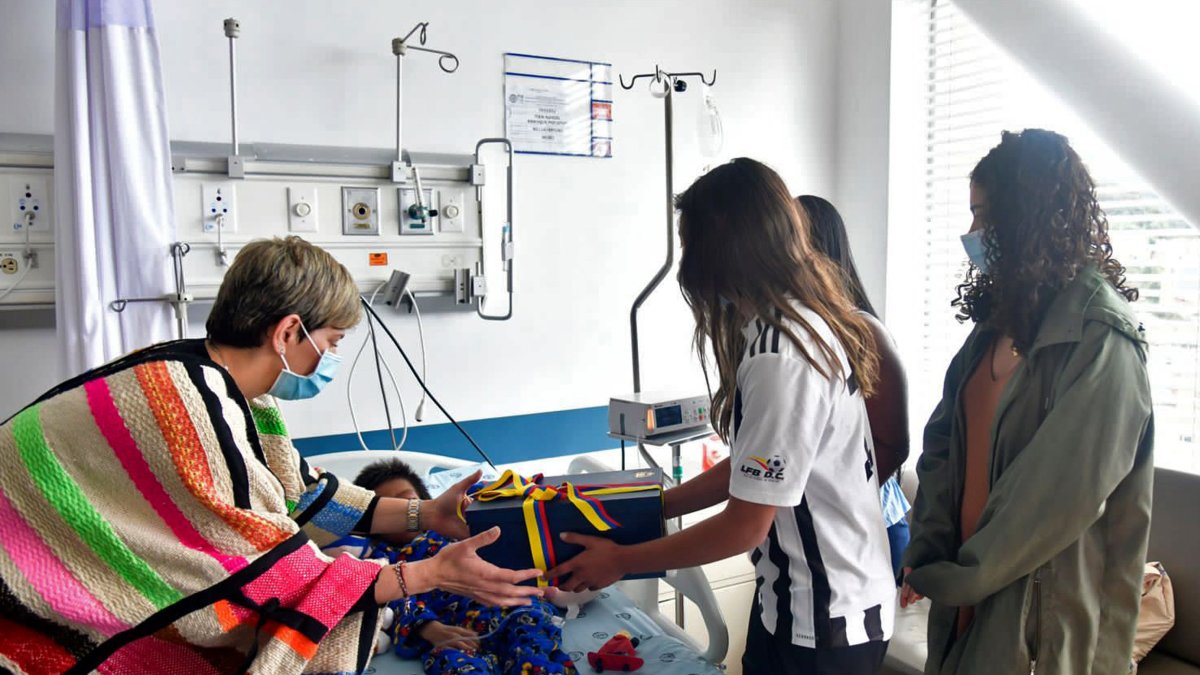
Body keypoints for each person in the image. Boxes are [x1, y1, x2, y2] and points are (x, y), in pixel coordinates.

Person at [0, 236, 541, 674]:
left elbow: (302, 496)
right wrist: (428, 575)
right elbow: (274, 578)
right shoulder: (185, 406)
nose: (329, 359)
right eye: (330, 343)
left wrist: (429, 514)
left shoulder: (210, 382)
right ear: (288, 331)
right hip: (17, 602)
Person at [547, 158, 896, 674]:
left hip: (826, 620)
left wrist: (620, 560)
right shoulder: (791, 326)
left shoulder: (783, 354)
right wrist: (655, 507)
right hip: (798, 601)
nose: (687, 261)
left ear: (723, 244)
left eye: (689, 244)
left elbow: (744, 526)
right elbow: (752, 469)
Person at [900, 129, 1154, 675]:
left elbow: (1054, 498)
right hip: (965, 600)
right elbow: (942, 450)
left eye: (986, 216)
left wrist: (949, 575)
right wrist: (927, 549)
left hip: (1042, 625)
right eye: (972, 214)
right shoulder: (993, 329)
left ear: (1034, 216)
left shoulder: (1101, 337)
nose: (973, 233)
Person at [329, 459, 576, 675]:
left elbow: (507, 517)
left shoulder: (461, 527)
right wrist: (427, 627)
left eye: (408, 500)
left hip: (514, 609)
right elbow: (389, 601)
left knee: (536, 653)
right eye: (391, 507)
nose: (404, 511)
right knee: (453, 663)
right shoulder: (385, 560)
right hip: (451, 629)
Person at [796, 194, 912, 581]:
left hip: (871, 528)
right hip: (826, 534)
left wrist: (834, 509)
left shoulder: (862, 331)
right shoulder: (799, 335)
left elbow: (893, 446)